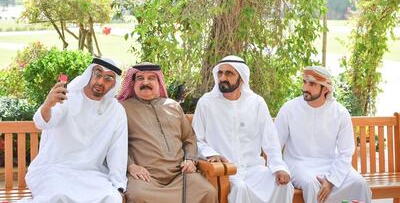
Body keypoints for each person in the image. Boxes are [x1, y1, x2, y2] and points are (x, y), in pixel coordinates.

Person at [192, 55, 294, 203]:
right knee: (240, 188)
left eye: (229, 73)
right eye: (220, 73)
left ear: (242, 79)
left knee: (283, 185)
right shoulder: (207, 103)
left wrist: (279, 166)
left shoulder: (256, 103)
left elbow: (271, 140)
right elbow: (196, 139)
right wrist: (211, 154)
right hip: (226, 171)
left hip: (254, 169)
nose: (222, 78)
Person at [25, 57, 128, 203]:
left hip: (91, 175)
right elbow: (42, 123)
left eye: (108, 78)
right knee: (58, 196)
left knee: (111, 198)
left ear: (114, 84)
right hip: (53, 169)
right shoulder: (68, 97)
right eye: (97, 74)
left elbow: (118, 151)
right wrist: (47, 105)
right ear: (90, 74)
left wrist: (118, 186)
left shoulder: (116, 111)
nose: (100, 82)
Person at [117, 62, 217, 203]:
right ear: (133, 83)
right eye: (140, 78)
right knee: (138, 196)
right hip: (146, 176)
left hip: (180, 174)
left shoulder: (173, 106)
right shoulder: (122, 108)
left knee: (207, 191)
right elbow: (114, 144)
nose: (145, 82)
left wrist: (190, 159)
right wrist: (131, 166)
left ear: (159, 82)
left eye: (151, 78)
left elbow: (189, 138)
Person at [275, 66, 372, 203]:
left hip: (330, 164)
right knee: (312, 184)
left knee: (359, 183)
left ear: (325, 89)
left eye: (312, 84)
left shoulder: (340, 113)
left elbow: (346, 152)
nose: (305, 87)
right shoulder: (289, 109)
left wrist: (331, 180)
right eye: (304, 82)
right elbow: (274, 144)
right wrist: (279, 168)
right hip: (298, 163)